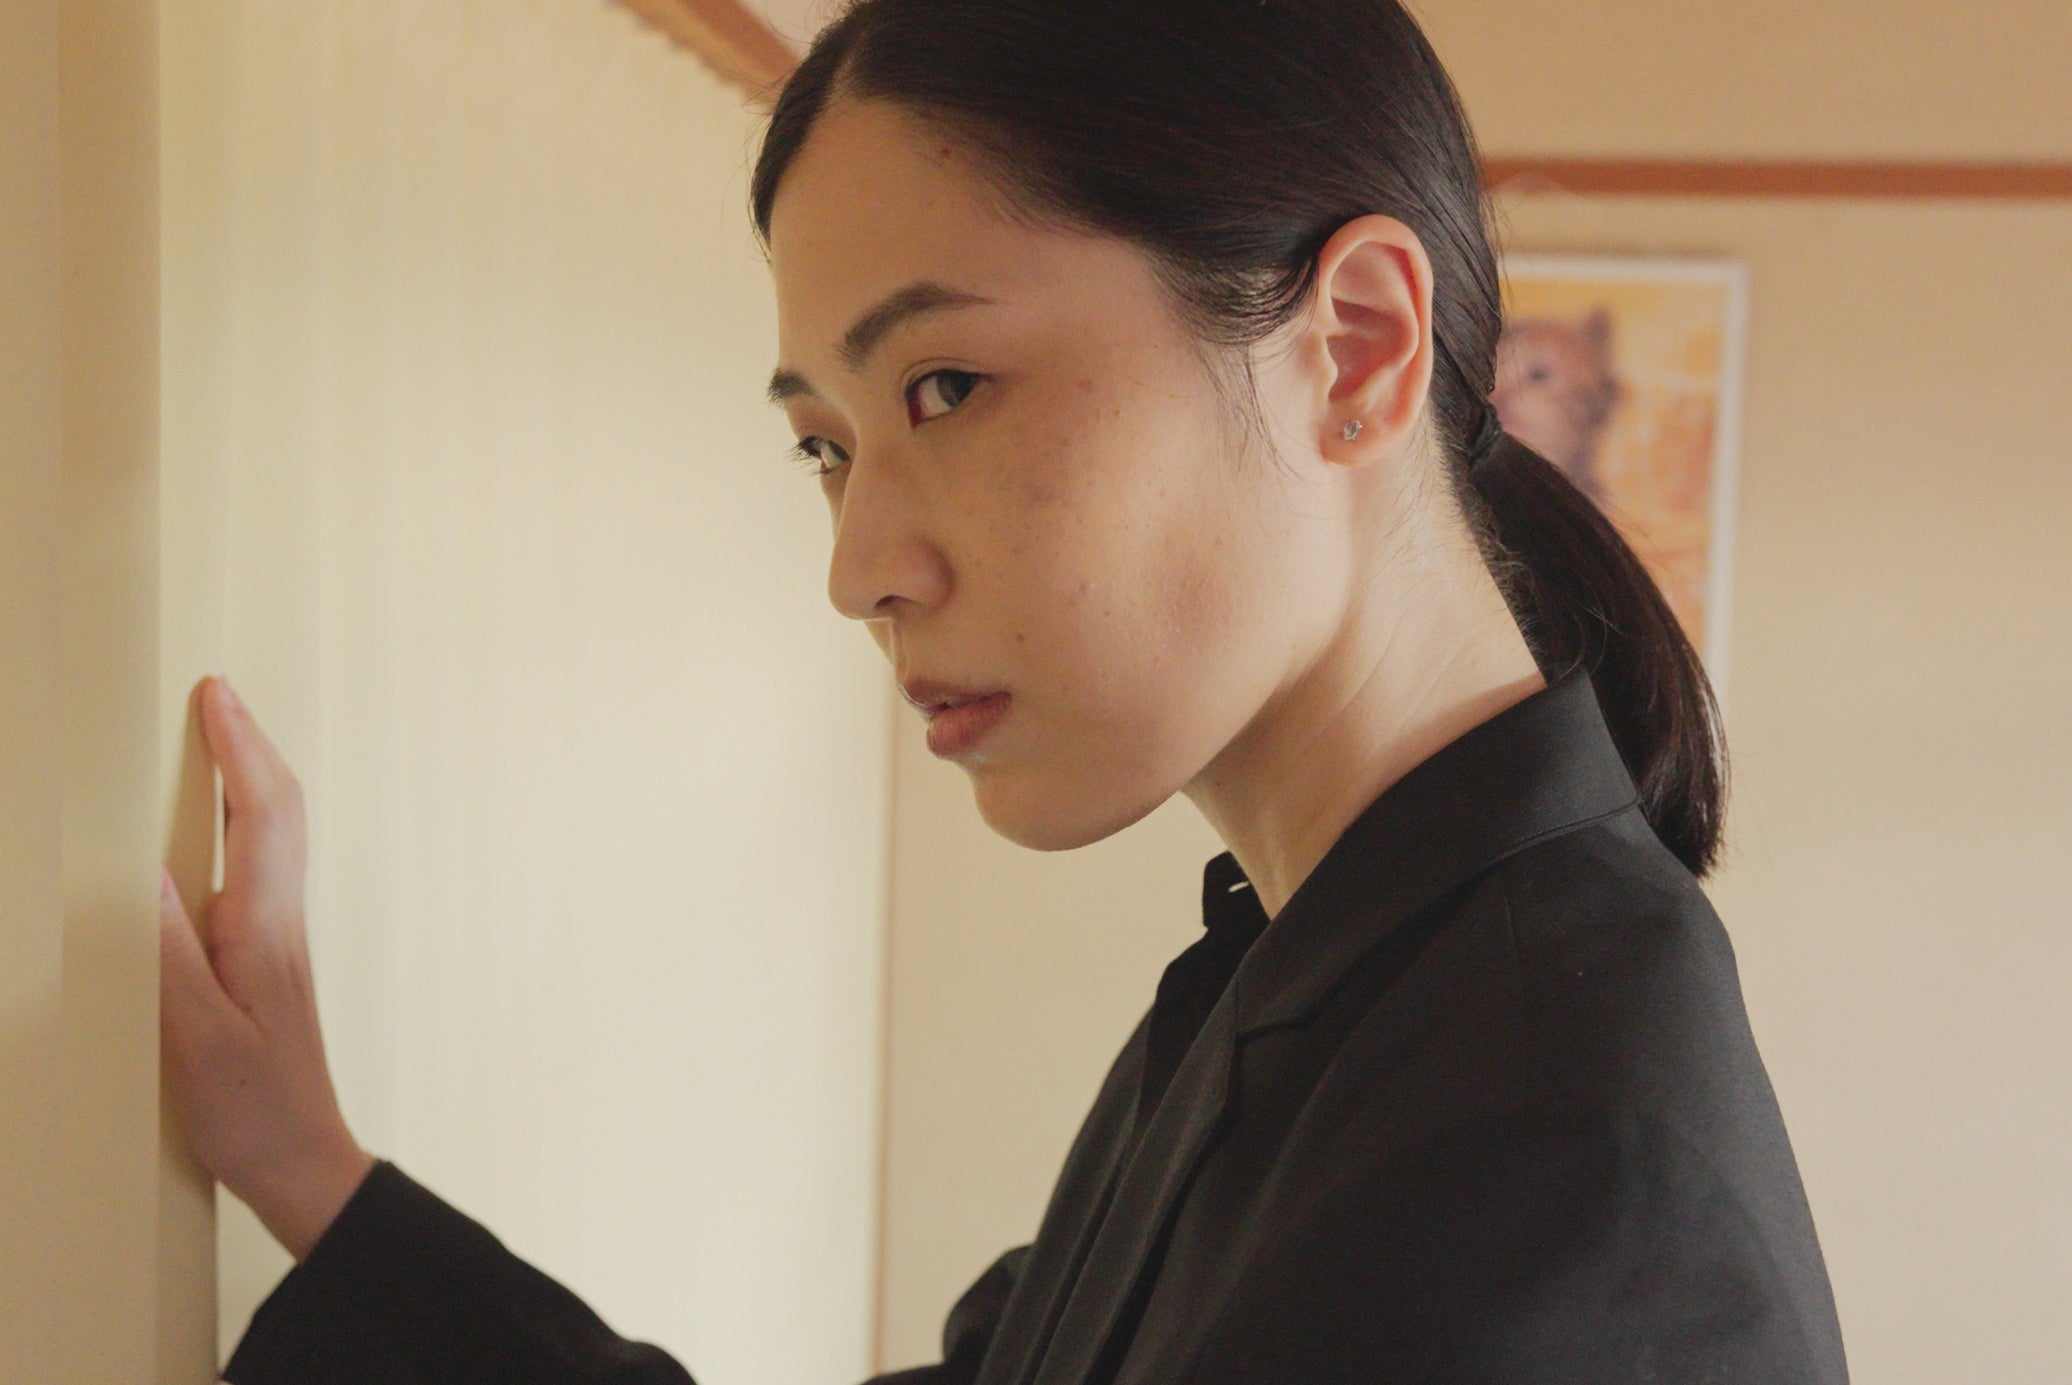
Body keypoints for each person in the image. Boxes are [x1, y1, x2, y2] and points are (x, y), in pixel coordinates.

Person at [157, 1, 1849, 1381]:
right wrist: (313, 1175)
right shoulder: (1325, 977)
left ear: (1353, 347)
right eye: (825, 445)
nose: (858, 567)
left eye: (947, 385)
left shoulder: (1550, 1177)